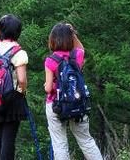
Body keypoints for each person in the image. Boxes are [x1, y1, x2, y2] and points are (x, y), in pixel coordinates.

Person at [44, 23, 103, 160]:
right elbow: (81, 48)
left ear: (52, 39)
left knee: (60, 144)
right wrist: (72, 33)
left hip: (56, 105)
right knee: (86, 140)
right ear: (70, 38)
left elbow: (48, 88)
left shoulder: (50, 60)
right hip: (78, 103)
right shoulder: (77, 55)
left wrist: (48, 85)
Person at [0, 14, 28, 160]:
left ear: (2, 29)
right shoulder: (19, 53)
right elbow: (21, 80)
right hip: (11, 99)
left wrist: (0, 21)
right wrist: (21, 94)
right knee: (8, 140)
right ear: (18, 32)